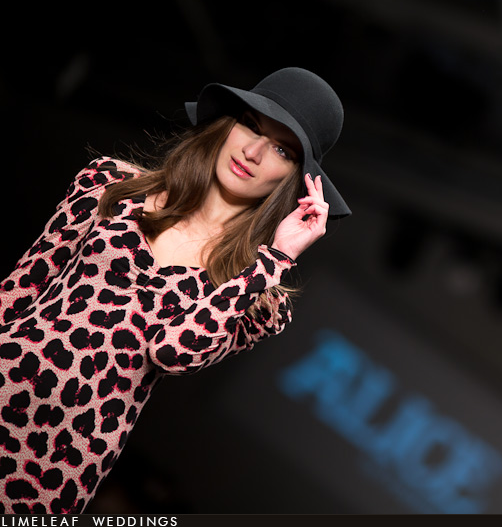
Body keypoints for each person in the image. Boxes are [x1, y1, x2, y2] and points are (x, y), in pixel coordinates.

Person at [0, 67, 350, 513]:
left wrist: (275, 259)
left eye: (282, 149)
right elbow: (21, 287)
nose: (253, 152)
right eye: (251, 125)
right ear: (227, 124)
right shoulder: (111, 185)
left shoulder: (259, 299)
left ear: (297, 181)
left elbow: (173, 351)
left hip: (56, 458)